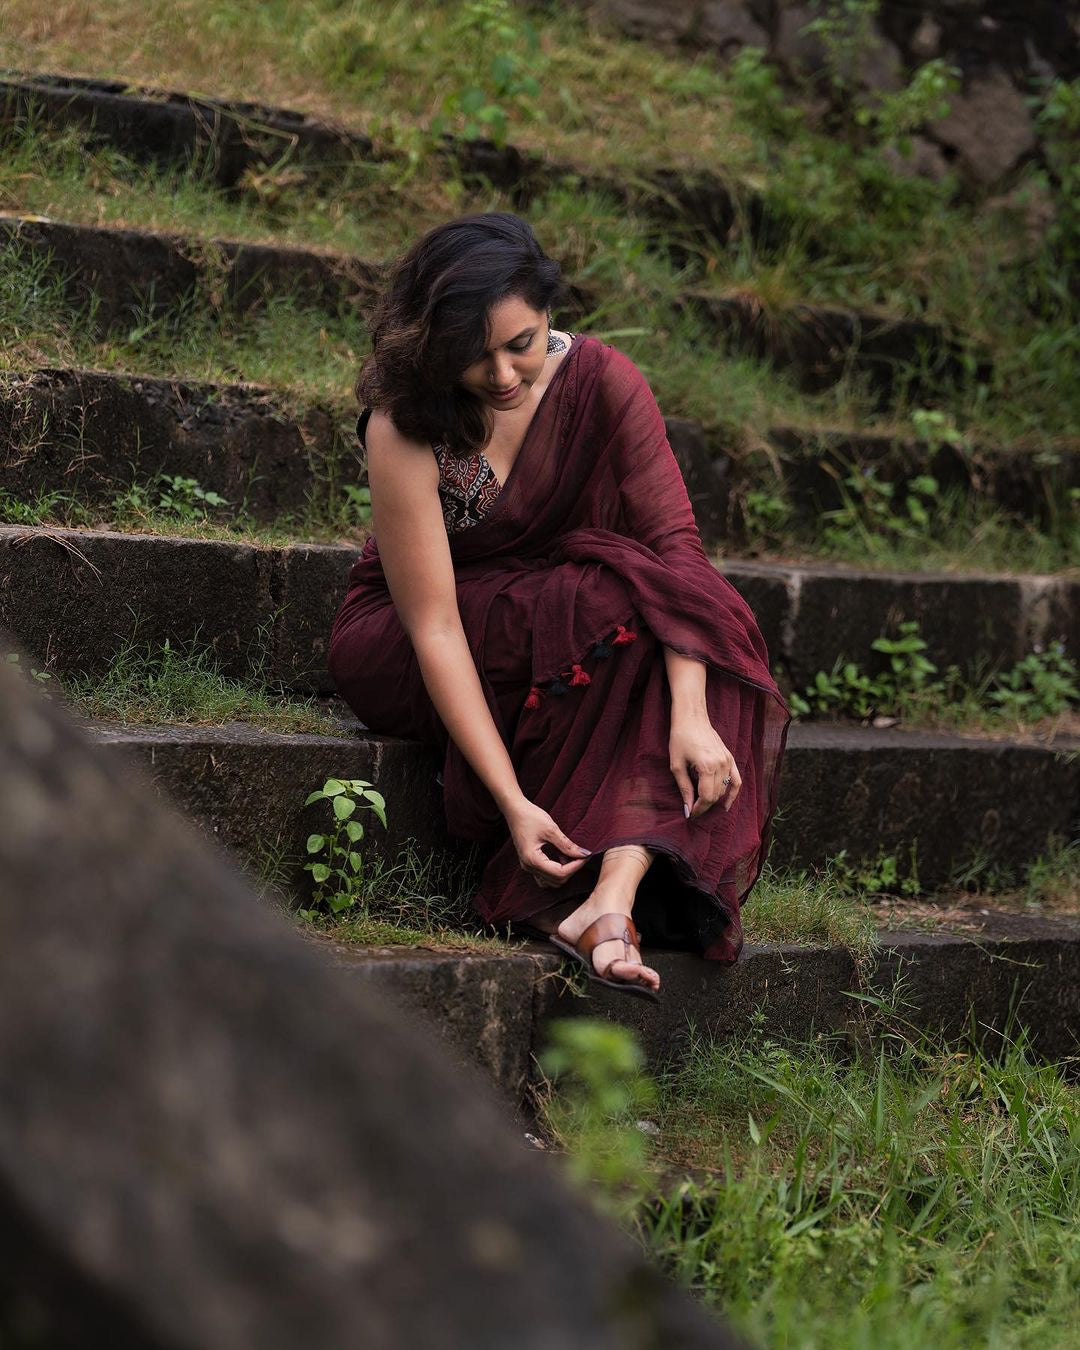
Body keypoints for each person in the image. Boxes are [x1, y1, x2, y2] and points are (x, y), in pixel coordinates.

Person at [328, 212, 790, 1001]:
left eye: (522, 343)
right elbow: (433, 624)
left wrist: (692, 713)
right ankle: (587, 894)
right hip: (409, 642)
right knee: (609, 594)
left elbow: (677, 556)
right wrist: (511, 804)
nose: (505, 375)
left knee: (684, 622)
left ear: (550, 314)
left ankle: (609, 901)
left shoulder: (603, 380)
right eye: (475, 356)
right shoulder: (404, 420)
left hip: (571, 620)